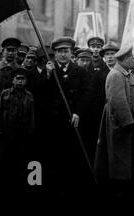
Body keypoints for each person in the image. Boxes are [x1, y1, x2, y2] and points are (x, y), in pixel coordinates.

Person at [94, 45, 134, 190]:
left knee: (124, 157)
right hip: (121, 124)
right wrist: (128, 122)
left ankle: (125, 185)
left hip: (126, 123)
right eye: (132, 58)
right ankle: (119, 188)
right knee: (120, 157)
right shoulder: (116, 75)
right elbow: (117, 101)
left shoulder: (126, 74)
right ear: (125, 59)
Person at [43, 37, 93, 188]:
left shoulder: (80, 71)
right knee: (54, 157)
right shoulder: (49, 70)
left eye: (66, 51)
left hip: (73, 121)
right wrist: (47, 74)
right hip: (54, 122)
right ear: (54, 54)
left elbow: (86, 94)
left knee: (72, 157)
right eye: (59, 51)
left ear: (71, 53)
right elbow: (41, 93)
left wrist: (78, 112)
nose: (63, 55)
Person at [0, 68, 35, 185]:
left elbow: (31, 116)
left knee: (19, 160)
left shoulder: (29, 96)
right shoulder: (5, 94)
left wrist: (30, 131)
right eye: (18, 79)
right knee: (1, 160)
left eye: (23, 79)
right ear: (13, 80)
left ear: (26, 81)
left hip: (21, 134)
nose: (20, 82)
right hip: (6, 133)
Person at [83, 41, 120, 162]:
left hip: (119, 115)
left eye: (112, 54)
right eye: (107, 54)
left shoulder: (123, 73)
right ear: (103, 57)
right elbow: (93, 97)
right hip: (102, 115)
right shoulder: (98, 75)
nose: (110, 57)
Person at [0, 38, 22, 110]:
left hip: (13, 109)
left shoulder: (20, 70)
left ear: (17, 52)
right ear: (3, 51)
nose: (11, 53)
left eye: (13, 50)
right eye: (8, 50)